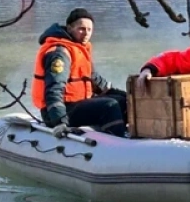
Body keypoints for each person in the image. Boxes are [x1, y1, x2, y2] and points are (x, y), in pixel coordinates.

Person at [32, 8, 127, 136]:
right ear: (70, 28)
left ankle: (125, 134)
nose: (86, 33)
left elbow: (95, 80)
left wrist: (126, 95)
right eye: (81, 29)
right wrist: (59, 121)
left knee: (123, 100)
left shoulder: (80, 49)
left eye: (89, 30)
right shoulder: (60, 53)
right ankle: (117, 140)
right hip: (62, 110)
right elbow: (54, 89)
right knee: (110, 105)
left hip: (78, 104)